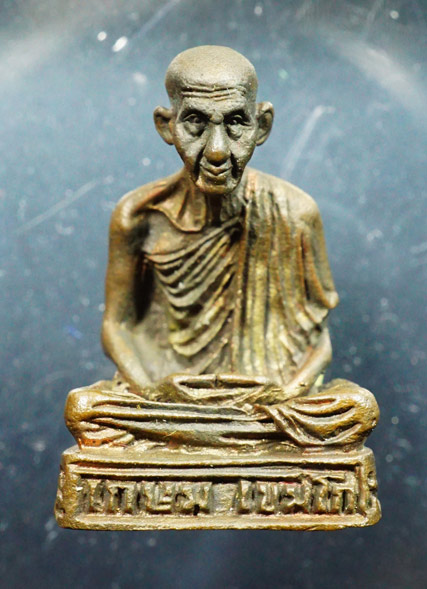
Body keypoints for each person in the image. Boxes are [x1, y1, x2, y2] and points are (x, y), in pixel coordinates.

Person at [65, 46, 378, 449]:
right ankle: (233, 436)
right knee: (85, 408)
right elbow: (116, 325)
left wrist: (287, 393)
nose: (216, 150)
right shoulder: (138, 217)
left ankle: (209, 435)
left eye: (235, 123)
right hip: (169, 397)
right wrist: (153, 390)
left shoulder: (295, 212)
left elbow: (318, 340)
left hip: (268, 399)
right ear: (166, 126)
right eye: (195, 123)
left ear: (261, 126)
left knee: (356, 408)